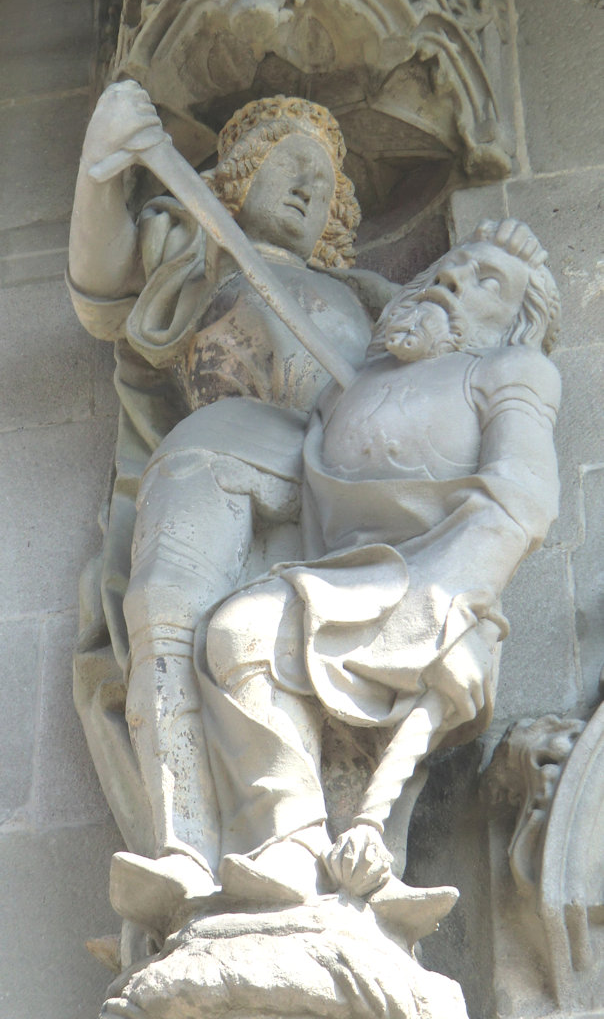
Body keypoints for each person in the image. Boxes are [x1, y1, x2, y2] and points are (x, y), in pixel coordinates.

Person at [68, 81, 398, 937]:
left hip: (330, 475)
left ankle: (304, 845)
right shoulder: (193, 258)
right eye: (287, 164)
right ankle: (185, 844)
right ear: (236, 176)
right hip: (213, 449)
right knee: (162, 612)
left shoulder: (365, 295)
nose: (304, 187)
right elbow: (97, 284)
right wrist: (104, 166)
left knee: (265, 644)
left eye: (322, 181)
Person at [196, 218, 561, 905]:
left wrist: (451, 593)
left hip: (434, 582)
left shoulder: (512, 371)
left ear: (513, 324)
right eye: (450, 267)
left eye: (487, 282)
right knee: (236, 633)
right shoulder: (347, 385)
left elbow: (522, 498)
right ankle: (290, 839)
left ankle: (365, 881)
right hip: (337, 570)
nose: (452, 278)